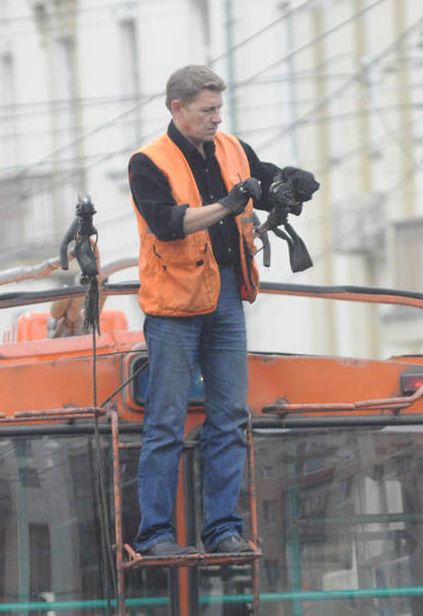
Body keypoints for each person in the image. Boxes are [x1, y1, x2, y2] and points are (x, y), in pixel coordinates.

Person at [128, 65, 318, 557]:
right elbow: (168, 224)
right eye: (207, 110)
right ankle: (155, 536)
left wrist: (290, 182)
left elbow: (265, 177)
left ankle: (222, 528)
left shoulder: (232, 147)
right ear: (177, 109)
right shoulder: (148, 162)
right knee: (166, 421)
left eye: (219, 108)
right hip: (174, 308)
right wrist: (228, 205)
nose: (217, 118)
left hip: (226, 296)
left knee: (231, 415)